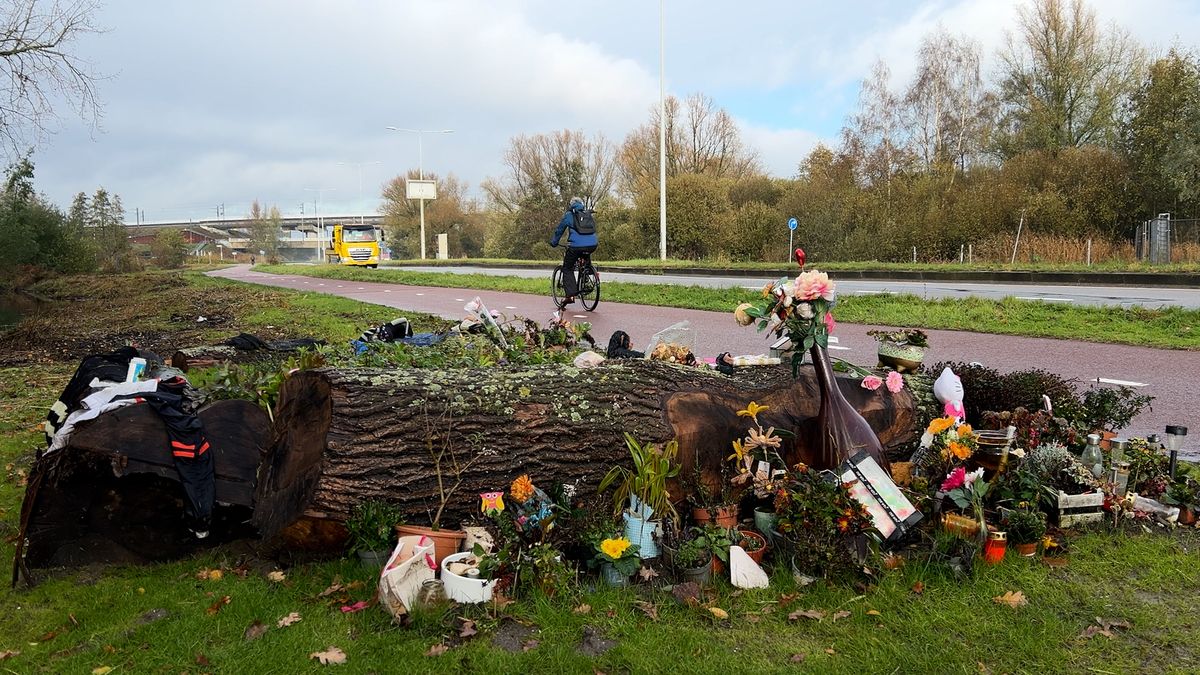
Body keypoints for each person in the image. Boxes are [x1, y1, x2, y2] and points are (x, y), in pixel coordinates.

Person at [550, 197, 597, 306]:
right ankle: (587, 274)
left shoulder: (569, 215)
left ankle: (570, 295)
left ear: (571, 205)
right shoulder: (588, 214)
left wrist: (554, 242)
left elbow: (559, 230)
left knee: (567, 267)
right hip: (593, 245)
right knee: (585, 254)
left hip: (576, 246)